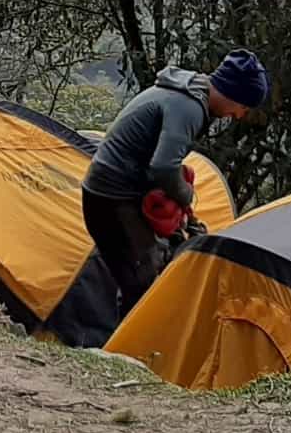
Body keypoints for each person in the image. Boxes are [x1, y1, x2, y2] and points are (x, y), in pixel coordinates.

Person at [82, 50, 269, 318]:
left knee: (146, 267)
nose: (238, 115)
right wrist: (185, 195)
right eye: (243, 107)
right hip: (112, 197)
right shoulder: (189, 107)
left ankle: (127, 348)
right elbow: (163, 167)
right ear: (233, 94)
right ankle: (128, 353)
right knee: (142, 279)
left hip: (110, 191)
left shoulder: (186, 91)